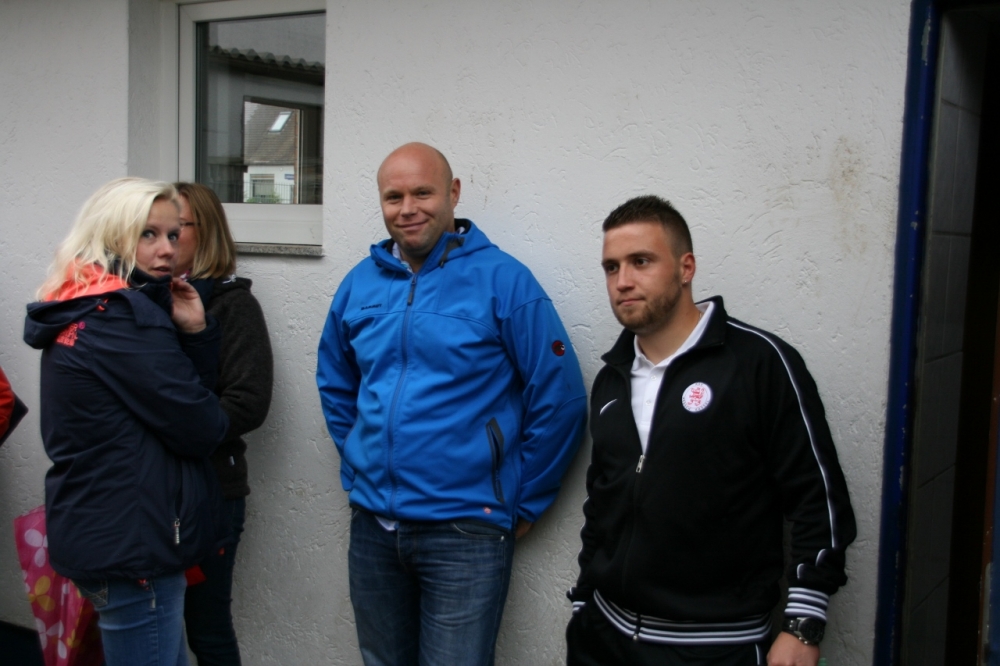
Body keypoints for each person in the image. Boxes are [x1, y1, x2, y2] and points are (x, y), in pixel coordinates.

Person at [317, 142, 588, 666]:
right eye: (393, 197)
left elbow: (561, 397)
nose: (408, 209)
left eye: (422, 193)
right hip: (374, 528)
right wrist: (357, 462)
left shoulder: (504, 281)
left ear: (453, 193)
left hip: (466, 529)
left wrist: (525, 500)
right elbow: (335, 382)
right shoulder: (358, 284)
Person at [567, 195, 857, 666]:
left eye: (641, 261)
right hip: (604, 638)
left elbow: (817, 497)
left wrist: (803, 622)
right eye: (611, 267)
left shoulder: (759, 364)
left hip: (716, 646)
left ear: (686, 268)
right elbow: (601, 502)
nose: (623, 281)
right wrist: (584, 602)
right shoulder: (611, 379)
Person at [24, 177, 230, 666]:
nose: (167, 250)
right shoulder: (120, 319)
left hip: (114, 530)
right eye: (147, 234)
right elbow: (202, 425)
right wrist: (197, 337)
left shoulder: (84, 304)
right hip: (134, 541)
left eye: (173, 234)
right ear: (111, 235)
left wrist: (190, 330)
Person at [172, 182, 273, 666]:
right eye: (150, 229)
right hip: (150, 492)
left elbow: (248, 404)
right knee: (155, 623)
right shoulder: (141, 301)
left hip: (211, 490)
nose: (163, 240)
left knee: (206, 628)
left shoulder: (232, 306)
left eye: (176, 228)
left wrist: (183, 430)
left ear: (206, 231)